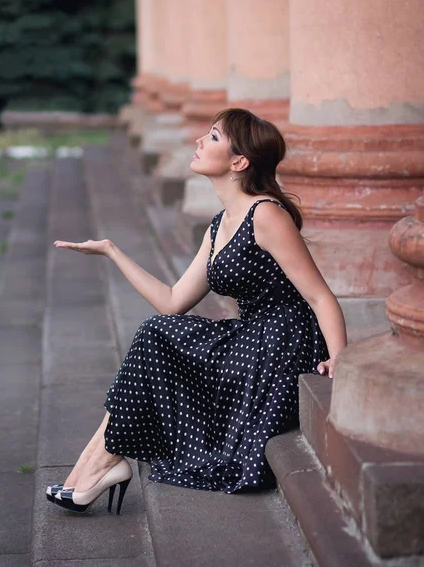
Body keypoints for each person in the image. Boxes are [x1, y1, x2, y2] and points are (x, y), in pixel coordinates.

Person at [47, 108, 347, 515]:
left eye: (213, 137)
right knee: (157, 331)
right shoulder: (221, 223)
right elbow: (172, 301)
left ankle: (95, 471)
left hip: (281, 345)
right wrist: (111, 251)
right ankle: (96, 469)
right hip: (250, 338)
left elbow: (319, 296)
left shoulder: (266, 215)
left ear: (239, 162)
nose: (199, 142)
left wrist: (340, 358)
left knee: (156, 335)